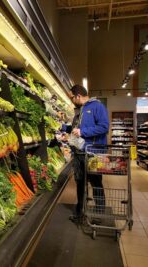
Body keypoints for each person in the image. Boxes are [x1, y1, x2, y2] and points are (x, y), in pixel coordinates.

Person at [67, 85, 109, 223]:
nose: (72, 100)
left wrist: (83, 132)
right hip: (79, 153)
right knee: (80, 183)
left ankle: (100, 214)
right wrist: (67, 131)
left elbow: (104, 127)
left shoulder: (97, 106)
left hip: (93, 153)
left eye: (72, 97)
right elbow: (78, 128)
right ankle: (80, 212)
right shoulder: (80, 110)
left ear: (78, 95)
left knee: (96, 183)